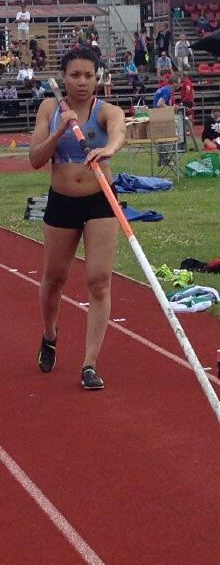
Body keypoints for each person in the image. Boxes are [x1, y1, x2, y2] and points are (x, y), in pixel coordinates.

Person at [29, 47, 126, 390]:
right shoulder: (50, 109)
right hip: (62, 203)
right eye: (75, 75)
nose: (82, 81)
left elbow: (118, 132)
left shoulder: (107, 111)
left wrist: (109, 150)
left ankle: (89, 364)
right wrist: (60, 133)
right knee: (54, 278)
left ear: (98, 77)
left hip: (101, 200)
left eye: (89, 75)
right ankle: (49, 334)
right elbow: (35, 159)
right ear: (65, 77)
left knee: (99, 280)